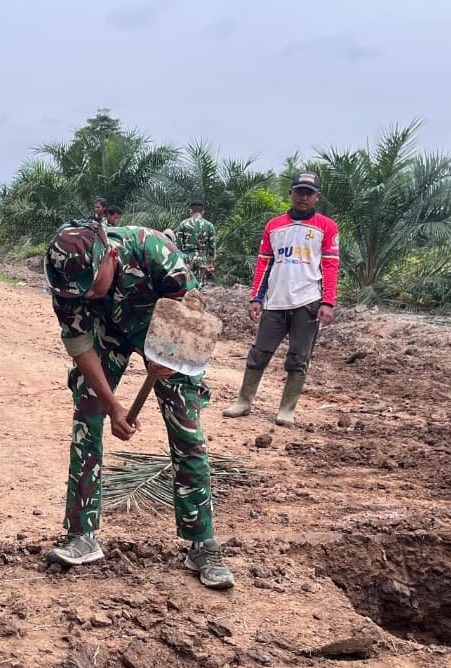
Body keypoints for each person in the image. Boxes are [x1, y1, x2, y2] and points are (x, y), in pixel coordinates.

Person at [42, 221, 235, 589]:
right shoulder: (68, 281)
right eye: (77, 292)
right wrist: (113, 406)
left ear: (112, 256)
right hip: (107, 332)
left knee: (186, 429)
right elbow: (80, 345)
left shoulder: (155, 253)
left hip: (165, 328)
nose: (86, 295)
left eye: (92, 286)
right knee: (87, 415)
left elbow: (194, 310)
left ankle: (203, 543)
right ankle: (81, 534)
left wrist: (172, 351)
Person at [223, 172, 339, 426]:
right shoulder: (274, 226)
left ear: (317, 197)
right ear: (290, 193)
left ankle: (287, 409)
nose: (303, 197)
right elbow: (264, 263)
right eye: (299, 192)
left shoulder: (327, 227)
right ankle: (243, 401)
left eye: (309, 193)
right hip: (275, 301)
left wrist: (327, 302)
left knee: (298, 357)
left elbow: (330, 267)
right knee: (259, 352)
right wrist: (256, 297)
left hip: (308, 302)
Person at [174, 201, 217, 285]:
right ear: (203, 212)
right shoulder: (209, 225)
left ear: (191, 211)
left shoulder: (183, 224)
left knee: (187, 285)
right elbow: (212, 246)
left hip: (187, 259)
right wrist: (210, 261)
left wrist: (179, 260)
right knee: (200, 284)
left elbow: (178, 245)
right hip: (202, 259)